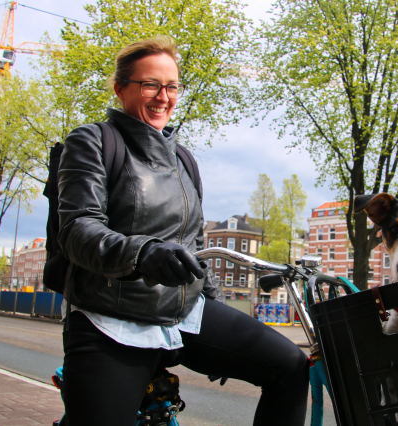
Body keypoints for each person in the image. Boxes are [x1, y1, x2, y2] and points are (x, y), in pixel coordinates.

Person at [57, 36, 309, 426]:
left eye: (172, 87)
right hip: (112, 319)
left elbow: (195, 245)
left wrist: (216, 302)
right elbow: (78, 228)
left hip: (185, 314)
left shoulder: (184, 160)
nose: (164, 97)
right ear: (120, 88)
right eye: (150, 85)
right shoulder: (93, 141)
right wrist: (143, 253)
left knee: (290, 366)